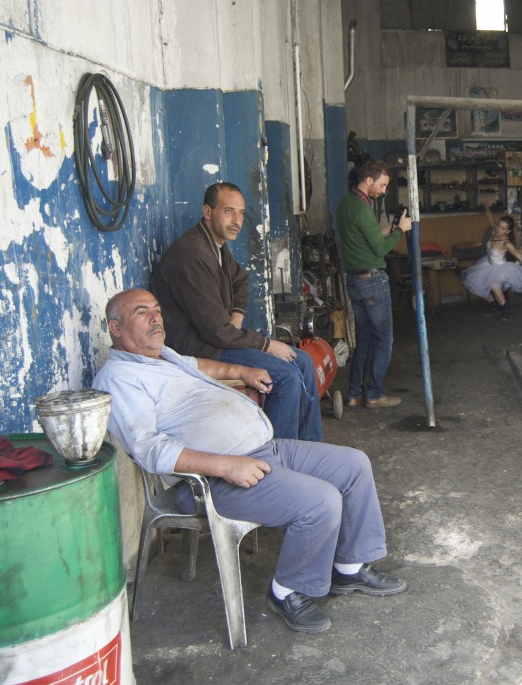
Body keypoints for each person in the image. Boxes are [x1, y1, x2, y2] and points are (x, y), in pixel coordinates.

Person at [93, 289, 406, 634]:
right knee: (321, 501)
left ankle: (349, 568)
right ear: (116, 328)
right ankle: (287, 592)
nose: (156, 318)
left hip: (263, 450)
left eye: (157, 309)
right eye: (142, 312)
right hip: (209, 482)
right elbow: (150, 450)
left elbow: (202, 366)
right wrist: (226, 466)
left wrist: (241, 371)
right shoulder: (118, 378)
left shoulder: (164, 356)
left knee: (354, 465)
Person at [151, 182, 322, 442]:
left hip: (218, 338)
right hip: (198, 348)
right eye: (229, 211)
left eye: (241, 213)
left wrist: (237, 315)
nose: (237, 221)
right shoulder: (191, 255)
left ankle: (309, 449)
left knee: (304, 361)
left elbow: (239, 281)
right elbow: (216, 332)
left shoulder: (216, 246)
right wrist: (267, 345)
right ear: (208, 212)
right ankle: (279, 457)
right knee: (285, 376)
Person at [336, 160, 411, 408]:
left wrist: (391, 228)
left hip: (354, 281)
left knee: (365, 338)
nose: (383, 191)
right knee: (384, 339)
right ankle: (375, 394)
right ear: (369, 180)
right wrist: (401, 231)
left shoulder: (346, 203)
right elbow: (380, 249)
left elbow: (368, 237)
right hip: (372, 282)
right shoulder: (362, 208)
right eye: (382, 185)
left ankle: (354, 393)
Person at [461, 206, 522, 321]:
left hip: (501, 268)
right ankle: (495, 305)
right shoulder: (495, 231)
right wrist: (486, 206)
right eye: (499, 226)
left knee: (494, 285)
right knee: (476, 284)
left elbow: (519, 256)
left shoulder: (507, 244)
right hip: (487, 264)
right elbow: (490, 218)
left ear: (508, 231)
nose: (499, 229)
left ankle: (506, 310)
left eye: (503, 228)